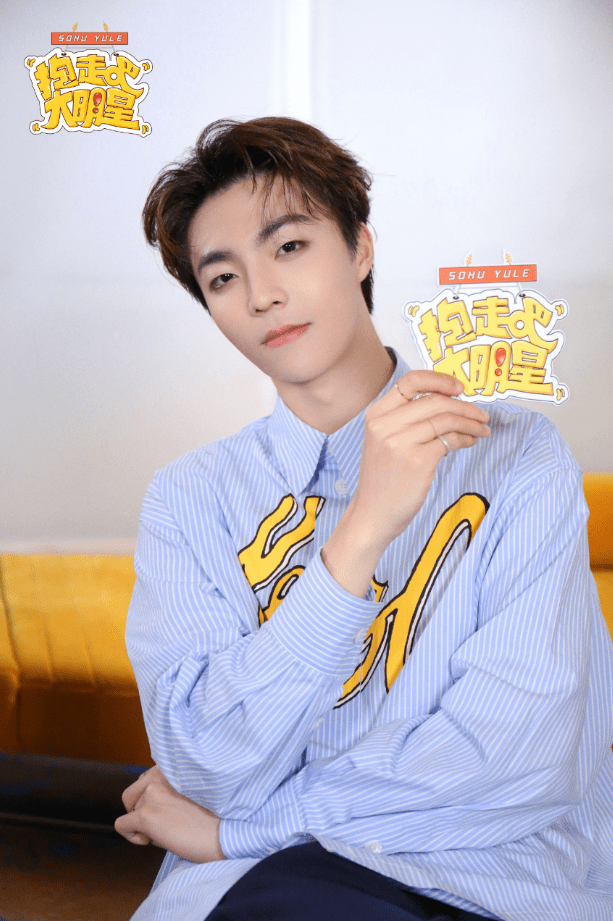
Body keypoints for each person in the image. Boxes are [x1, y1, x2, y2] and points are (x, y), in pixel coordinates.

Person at [115, 117, 613, 921]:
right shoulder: (189, 500)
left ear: (360, 249)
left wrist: (243, 828)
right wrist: (359, 533)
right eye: (223, 278)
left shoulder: (514, 456)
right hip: (257, 892)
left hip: (494, 884)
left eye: (288, 246)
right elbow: (203, 761)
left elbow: (517, 756)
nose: (262, 294)